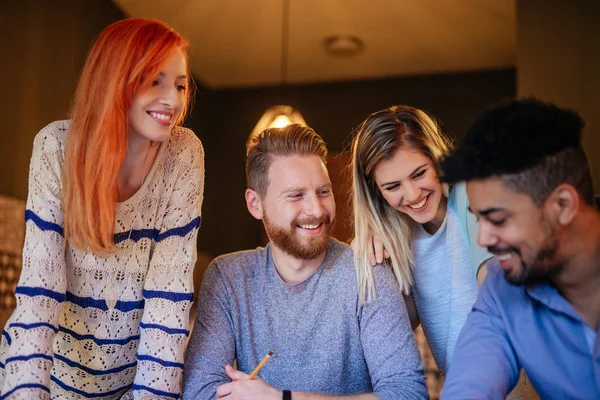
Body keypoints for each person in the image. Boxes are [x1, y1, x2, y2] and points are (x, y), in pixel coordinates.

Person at [0, 18, 204, 399]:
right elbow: (39, 297)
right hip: (48, 380)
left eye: (179, 85)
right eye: (154, 80)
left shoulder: (183, 154)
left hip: (129, 387)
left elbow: (169, 305)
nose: (173, 100)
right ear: (116, 80)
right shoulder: (56, 148)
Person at [182, 124, 427, 400]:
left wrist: (283, 398)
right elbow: (199, 393)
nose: (316, 209)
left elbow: (408, 394)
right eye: (296, 195)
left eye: (323, 192)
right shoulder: (228, 277)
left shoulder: (367, 271)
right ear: (255, 204)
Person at [350, 105, 536, 398]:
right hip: (467, 385)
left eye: (419, 173)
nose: (412, 195)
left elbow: (496, 300)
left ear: (436, 158)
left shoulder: (471, 193)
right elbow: (397, 330)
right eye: (392, 186)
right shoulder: (400, 234)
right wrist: (373, 261)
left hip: (514, 378)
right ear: (377, 193)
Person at [440, 98, 600, 399]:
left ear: (562, 205)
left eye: (498, 219)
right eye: (478, 220)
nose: (482, 240)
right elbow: (469, 386)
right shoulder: (500, 289)